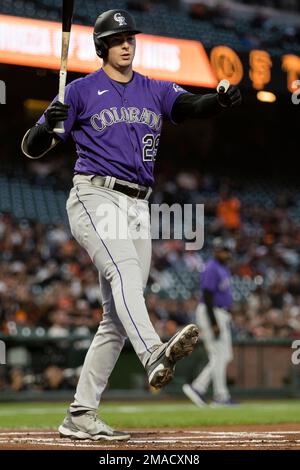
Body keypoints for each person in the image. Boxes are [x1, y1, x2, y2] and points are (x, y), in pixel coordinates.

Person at [21, 9, 241, 440]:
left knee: (118, 316)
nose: (127, 43)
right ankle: (153, 351)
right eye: (118, 38)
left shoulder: (152, 88)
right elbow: (31, 148)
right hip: (95, 195)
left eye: (130, 37)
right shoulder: (81, 91)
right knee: (123, 272)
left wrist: (217, 99)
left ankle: (80, 414)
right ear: (103, 46)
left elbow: (191, 105)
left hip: (139, 206)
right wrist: (49, 119)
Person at [183, 238, 235, 406]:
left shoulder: (223, 268)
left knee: (223, 356)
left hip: (220, 313)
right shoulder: (212, 267)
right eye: (223, 250)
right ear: (216, 251)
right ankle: (218, 394)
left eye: (227, 250)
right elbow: (207, 295)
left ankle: (203, 388)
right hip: (211, 312)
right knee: (219, 355)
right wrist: (214, 322)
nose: (226, 253)